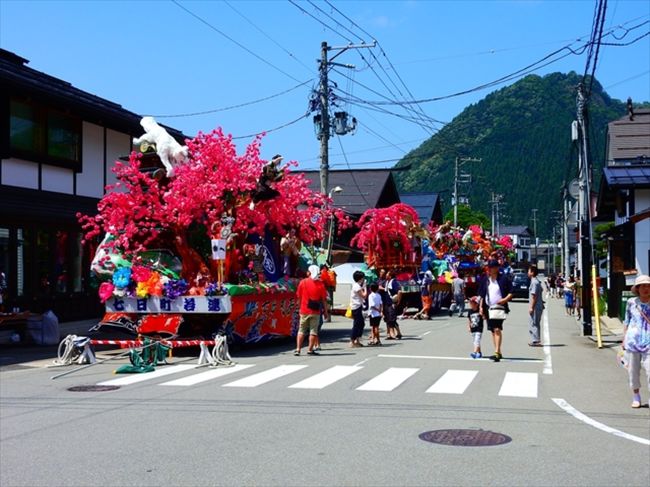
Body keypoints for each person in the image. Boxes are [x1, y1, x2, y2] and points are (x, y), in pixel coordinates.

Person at [622, 274, 650, 408]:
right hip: (633, 341)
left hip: (649, 341)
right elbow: (627, 320)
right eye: (643, 286)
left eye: (648, 286)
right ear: (637, 288)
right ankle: (636, 396)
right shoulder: (631, 302)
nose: (646, 289)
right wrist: (624, 338)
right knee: (633, 371)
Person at [478, 259, 513, 362]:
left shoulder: (503, 279)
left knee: (497, 329)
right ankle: (498, 351)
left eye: (493, 267)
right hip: (488, 308)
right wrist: (480, 307)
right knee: (493, 331)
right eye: (489, 267)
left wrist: (504, 300)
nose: (490, 269)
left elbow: (511, 291)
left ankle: (497, 352)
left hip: (499, 307)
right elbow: (482, 295)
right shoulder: (485, 280)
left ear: (497, 268)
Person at [294, 265, 328, 356]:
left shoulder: (303, 282)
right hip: (315, 311)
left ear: (310, 272)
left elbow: (298, 297)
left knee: (301, 330)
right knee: (313, 331)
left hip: (304, 310)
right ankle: (310, 349)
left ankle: (298, 349)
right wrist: (326, 312)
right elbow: (324, 300)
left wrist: (298, 308)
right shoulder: (321, 284)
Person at [349, 270, 368, 348]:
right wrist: (365, 287)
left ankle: (357, 340)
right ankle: (352, 340)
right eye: (362, 278)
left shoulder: (357, 285)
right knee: (357, 324)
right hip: (356, 307)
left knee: (360, 323)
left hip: (357, 306)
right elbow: (364, 295)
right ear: (360, 278)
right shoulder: (357, 286)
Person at [527, 265, 544, 347]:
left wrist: (531, 307)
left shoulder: (534, 282)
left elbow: (534, 296)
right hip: (538, 306)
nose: (528, 272)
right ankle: (535, 339)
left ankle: (536, 340)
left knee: (534, 323)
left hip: (536, 306)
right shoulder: (536, 281)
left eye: (529, 271)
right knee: (534, 322)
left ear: (532, 272)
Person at [382, 270, 402, 340]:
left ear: (390, 276)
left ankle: (395, 334)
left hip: (391, 303)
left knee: (392, 319)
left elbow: (399, 291)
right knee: (388, 319)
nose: (385, 275)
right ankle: (397, 333)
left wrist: (398, 302)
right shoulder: (387, 282)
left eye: (387, 274)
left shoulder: (394, 282)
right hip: (387, 303)